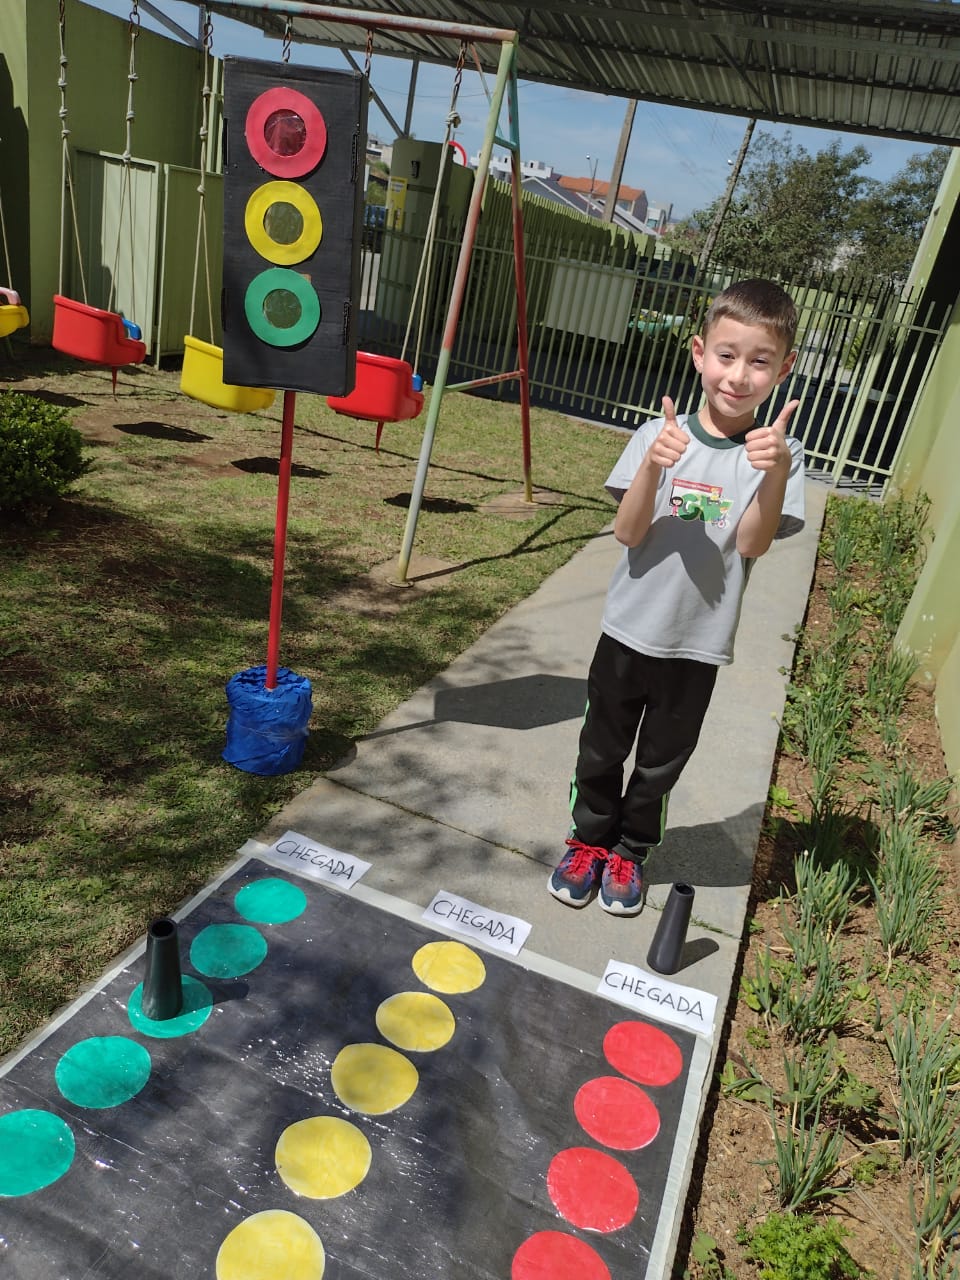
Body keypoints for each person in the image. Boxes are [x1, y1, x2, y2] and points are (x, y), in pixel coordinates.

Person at [549, 277, 806, 915]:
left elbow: (752, 543)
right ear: (699, 353)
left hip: (697, 645)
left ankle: (630, 852)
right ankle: (588, 841)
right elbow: (627, 532)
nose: (739, 375)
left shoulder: (780, 456)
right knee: (601, 748)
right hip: (628, 630)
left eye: (760, 361)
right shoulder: (656, 435)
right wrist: (653, 465)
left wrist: (773, 473)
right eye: (727, 354)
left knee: (661, 762)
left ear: (784, 369)